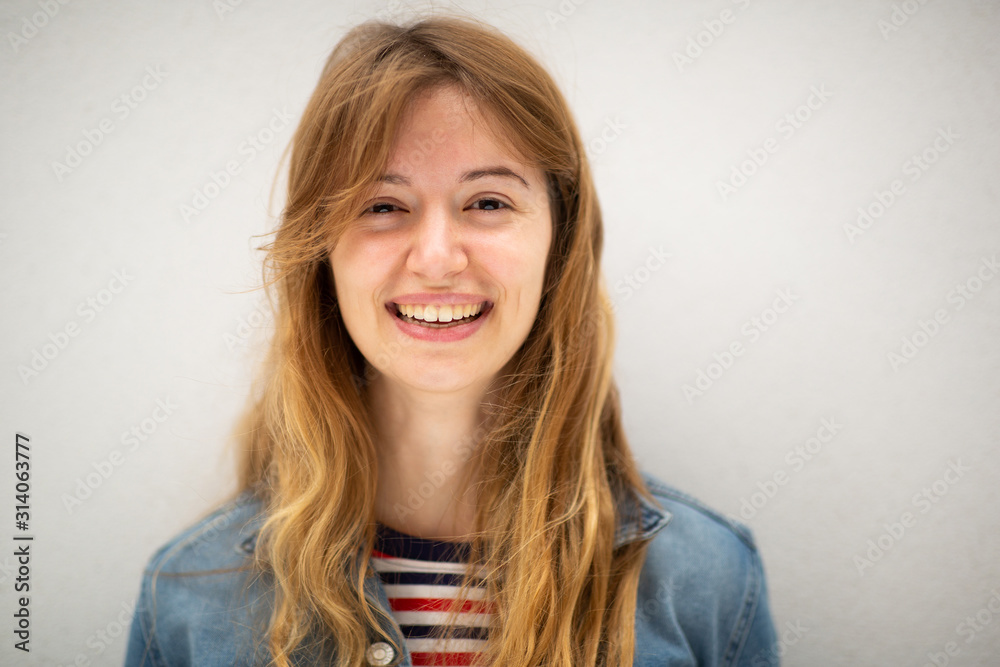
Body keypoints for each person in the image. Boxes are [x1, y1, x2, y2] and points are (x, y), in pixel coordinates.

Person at [124, 14, 778, 667]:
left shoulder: (711, 583)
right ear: (321, 251)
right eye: (382, 205)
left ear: (558, 241)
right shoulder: (187, 601)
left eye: (488, 202)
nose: (436, 259)